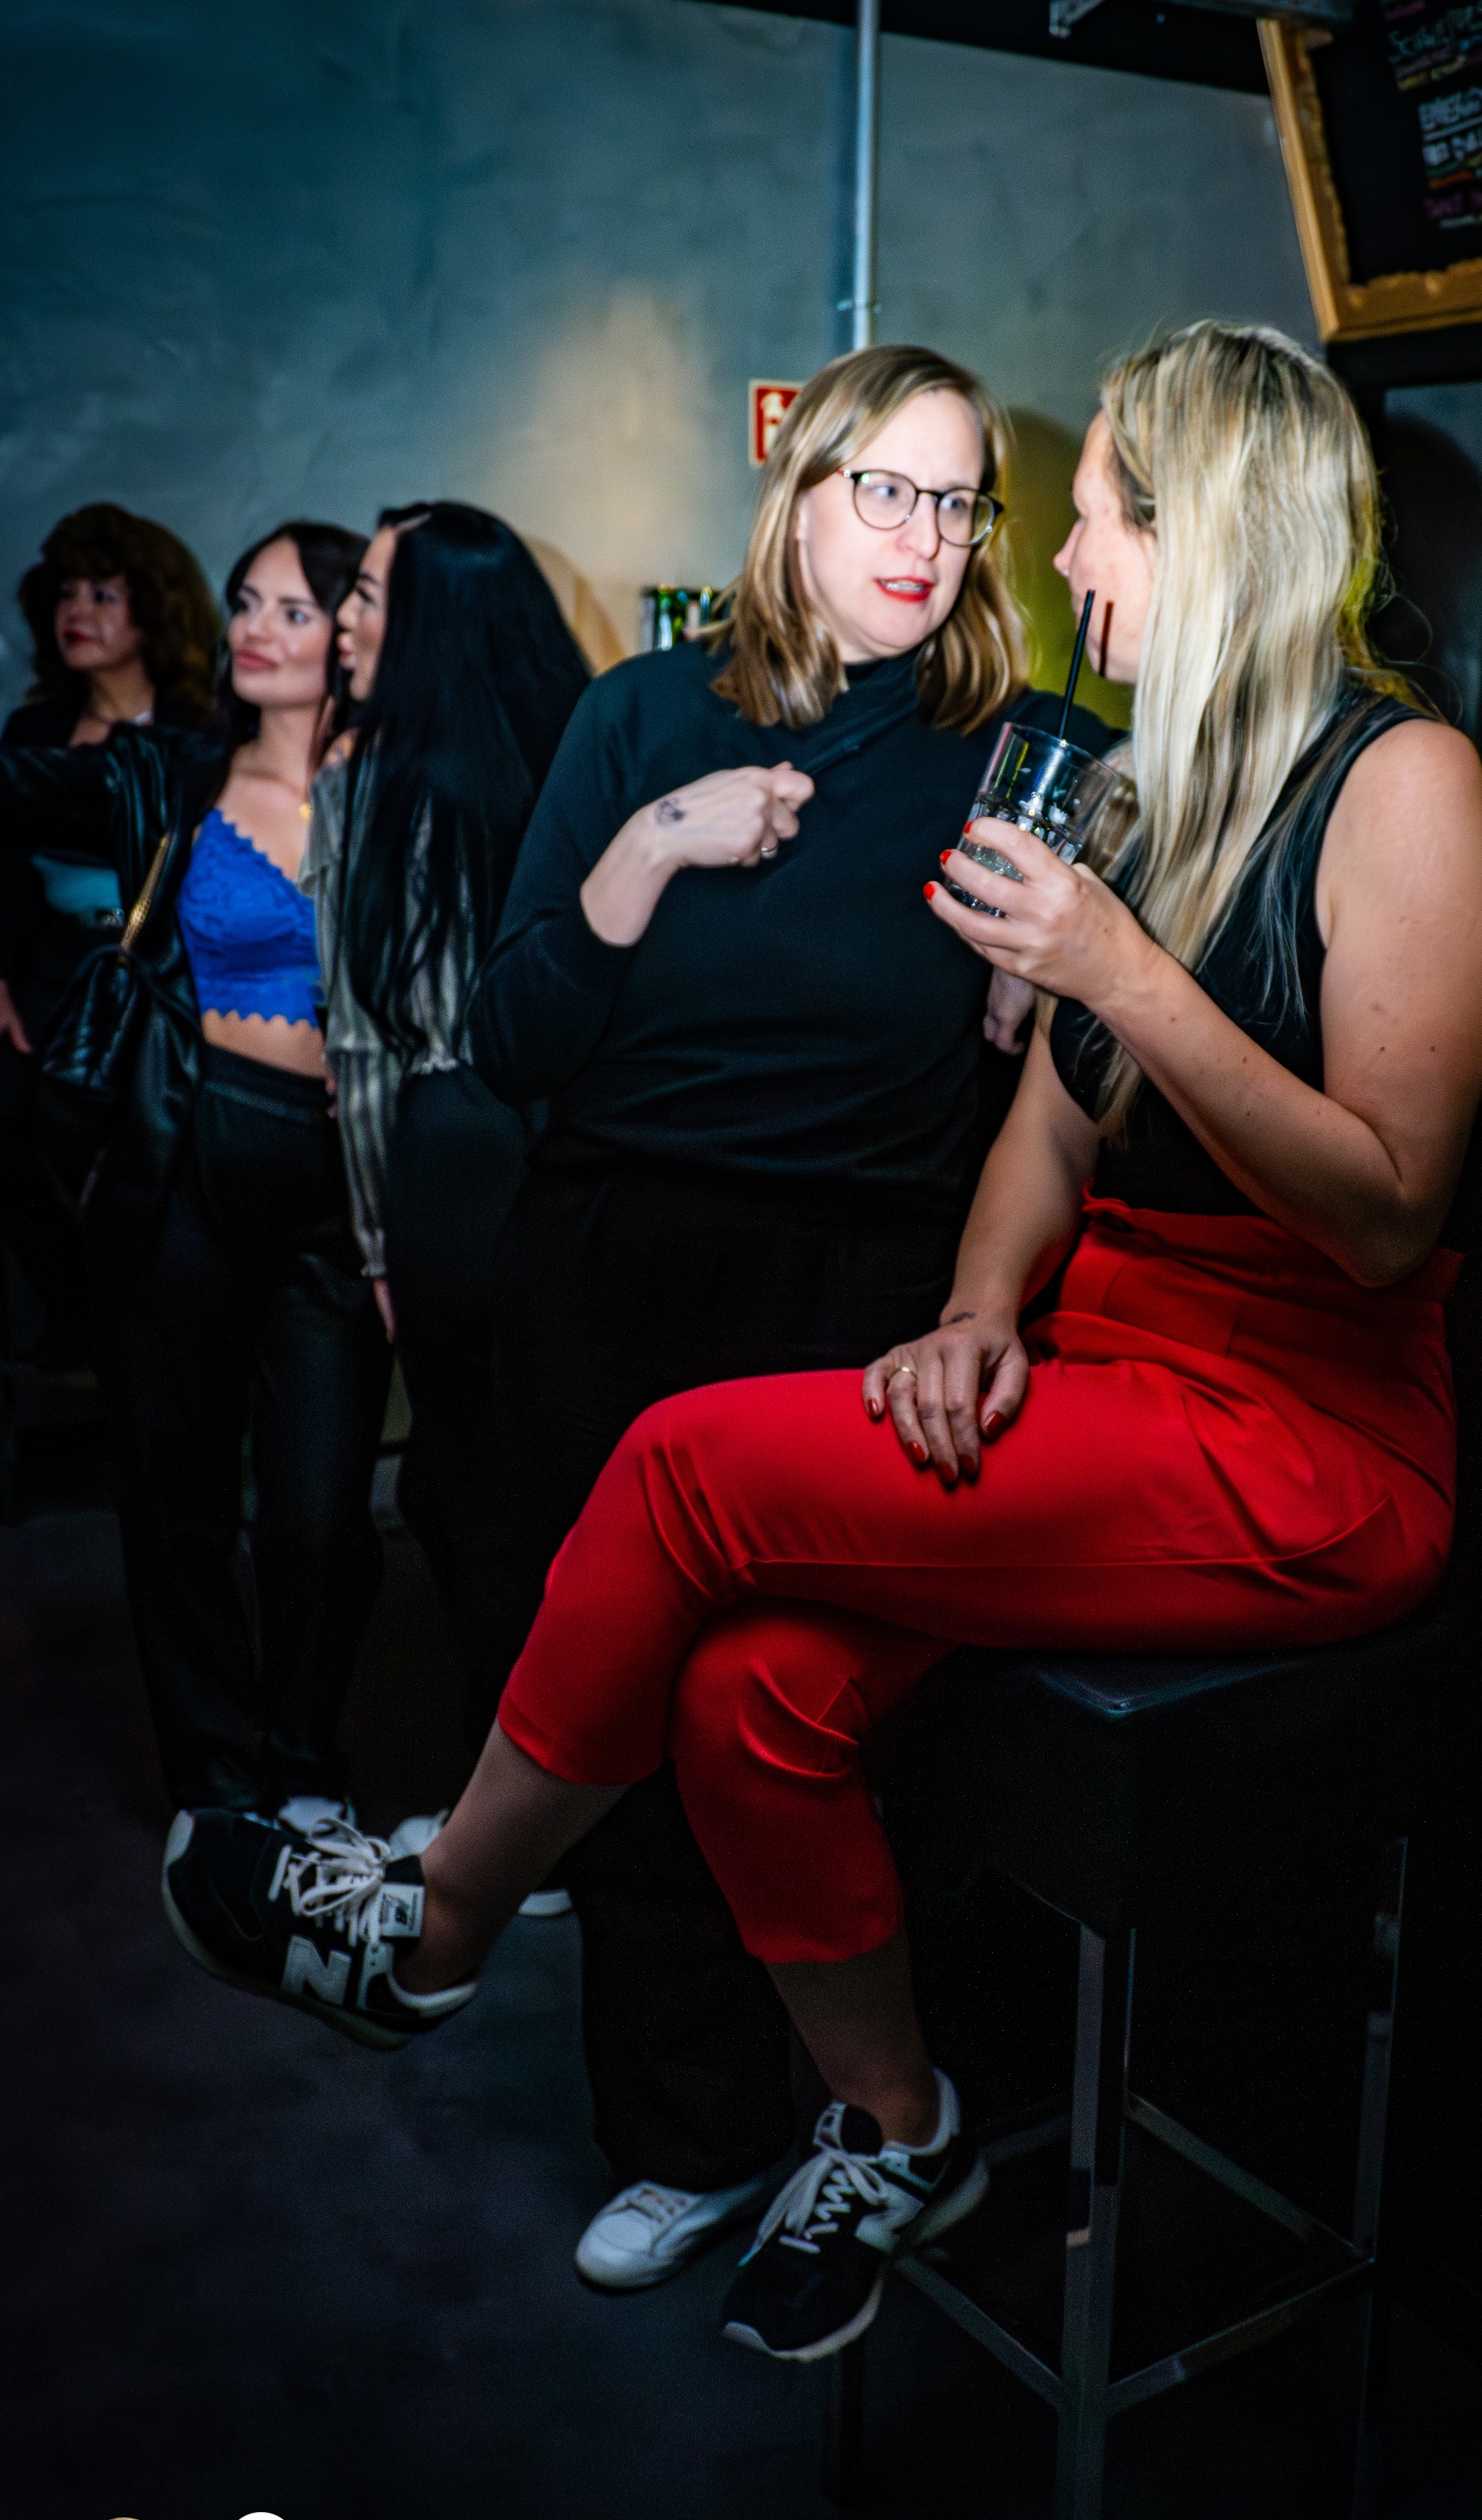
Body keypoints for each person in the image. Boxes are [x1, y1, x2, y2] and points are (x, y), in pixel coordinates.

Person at [165, 320, 1482, 2361]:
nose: (1042, 558)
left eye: (1074, 518)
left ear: (1207, 530)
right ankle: (899, 2127)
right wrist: (976, 1311)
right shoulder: (1152, 783)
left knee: (684, 1469)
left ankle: (432, 1922)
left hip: (1296, 1432)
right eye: (925, 497)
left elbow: (1384, 1208)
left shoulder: (1390, 779)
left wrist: (1108, 972)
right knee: (744, 1694)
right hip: (1059, 1345)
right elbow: (1048, 1124)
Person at [393, 344, 1108, 2292]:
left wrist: (1038, 996)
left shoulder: (1031, 750)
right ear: (801, 497)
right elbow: (514, 1040)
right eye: (888, 489)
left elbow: (1085, 1067)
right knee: (621, 1721)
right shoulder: (639, 717)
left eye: (959, 502)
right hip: (613, 1267)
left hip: (866, 1291)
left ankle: (868, 2125)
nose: (925, 536)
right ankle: (686, 2137)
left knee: (818, 1724)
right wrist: (654, 846)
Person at [0, 520, 389, 1816]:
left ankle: (304, 1763)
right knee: (177, 1506)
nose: (253, 631)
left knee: (321, 1516)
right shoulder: (163, 773)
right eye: (243, 604)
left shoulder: (402, 787)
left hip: (337, 1187)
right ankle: (218, 1778)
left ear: (352, 633)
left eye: (291, 610)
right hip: (177, 1161)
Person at [311, 503, 588, 1659]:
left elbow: (363, 1046)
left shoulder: (363, 780)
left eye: (370, 596)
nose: (343, 620)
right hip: (585, 1155)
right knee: (570, 1481)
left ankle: (498, 1746)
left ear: (435, 622)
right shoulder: (587, 755)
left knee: (467, 1486)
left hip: (455, 1155)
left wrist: (380, 1246)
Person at [0, 504, 219, 1369]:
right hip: (48, 966)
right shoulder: (33, 732)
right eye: (65, 593)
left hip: (155, 975)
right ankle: (77, 1329)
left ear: (153, 611)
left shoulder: (201, 736)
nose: (77, 612)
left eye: (103, 593)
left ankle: (146, 1336)